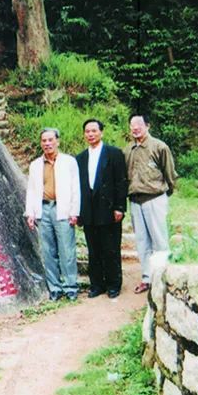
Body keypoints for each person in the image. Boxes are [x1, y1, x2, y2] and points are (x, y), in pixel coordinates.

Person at [24, 128, 80, 301]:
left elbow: (75, 188)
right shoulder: (35, 165)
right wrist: (30, 213)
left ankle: (71, 287)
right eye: (44, 141)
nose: (47, 143)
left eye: (50, 140)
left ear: (58, 141)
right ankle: (55, 288)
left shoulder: (69, 162)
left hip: (62, 209)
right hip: (43, 209)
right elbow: (32, 190)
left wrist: (74, 212)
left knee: (67, 251)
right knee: (48, 252)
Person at [124, 114, 177, 294]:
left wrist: (168, 190)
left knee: (159, 239)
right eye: (132, 125)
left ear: (148, 125)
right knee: (141, 242)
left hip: (154, 198)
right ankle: (147, 278)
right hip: (135, 200)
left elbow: (169, 172)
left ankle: (162, 277)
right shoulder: (128, 150)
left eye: (139, 124)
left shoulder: (159, 146)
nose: (135, 128)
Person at [75, 119, 128, 299]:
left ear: (101, 132)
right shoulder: (80, 158)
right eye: (87, 131)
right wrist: (78, 212)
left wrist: (120, 207)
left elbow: (121, 182)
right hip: (89, 211)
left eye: (94, 131)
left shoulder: (114, 154)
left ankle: (114, 284)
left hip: (109, 209)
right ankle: (97, 284)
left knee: (111, 248)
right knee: (93, 249)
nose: (90, 134)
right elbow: (78, 187)